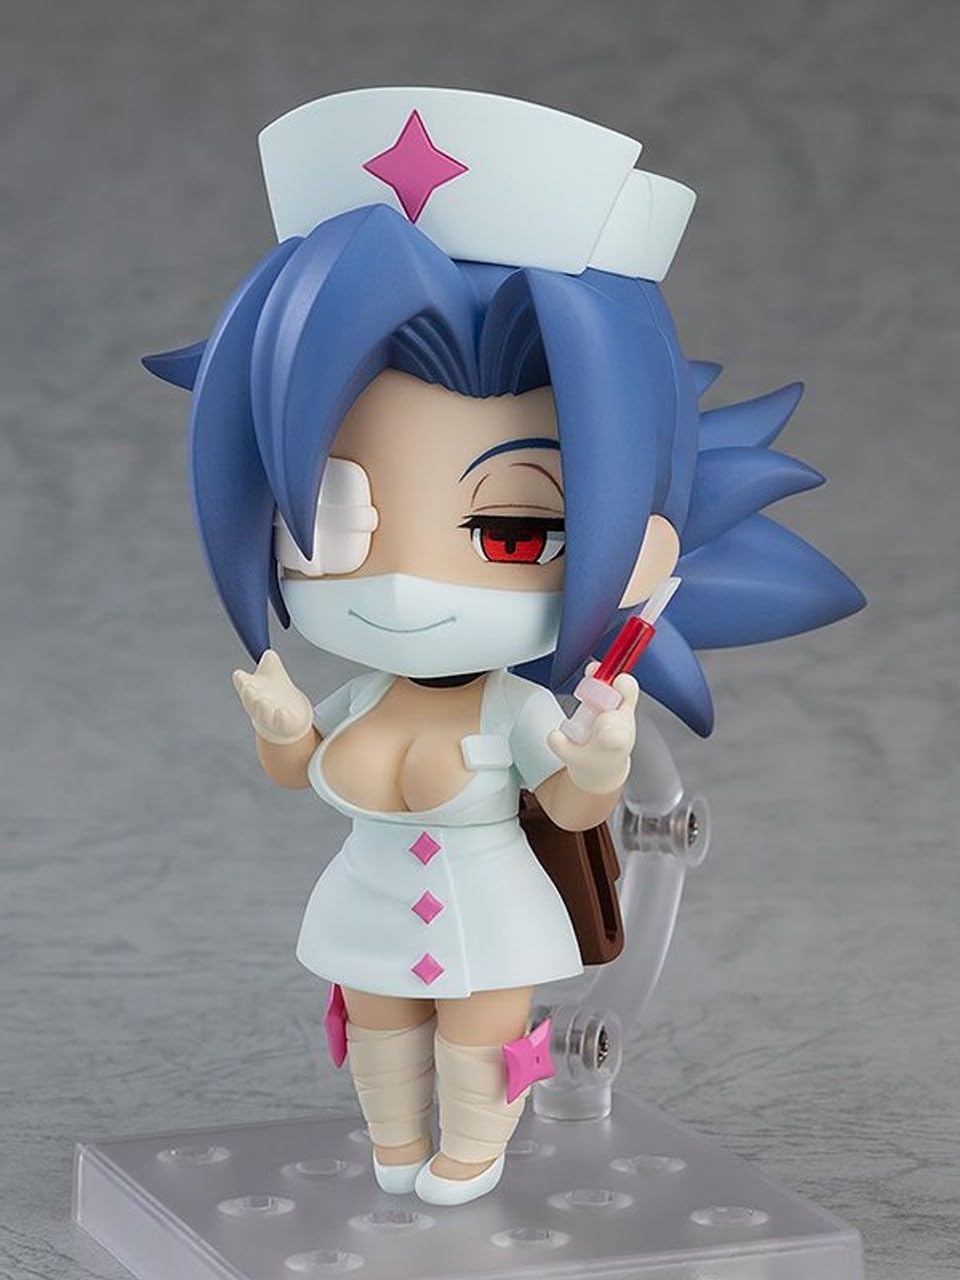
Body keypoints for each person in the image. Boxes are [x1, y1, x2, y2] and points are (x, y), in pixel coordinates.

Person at [145, 88, 864, 1205]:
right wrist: (284, 729)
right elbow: (298, 769)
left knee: (478, 1031)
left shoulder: (509, 708)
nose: (401, 583)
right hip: (368, 905)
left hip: (487, 916)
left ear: (641, 539)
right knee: (380, 1023)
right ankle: (394, 1142)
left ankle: (471, 1149)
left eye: (512, 531)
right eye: (325, 516)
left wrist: (600, 754)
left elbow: (571, 804)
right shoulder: (365, 697)